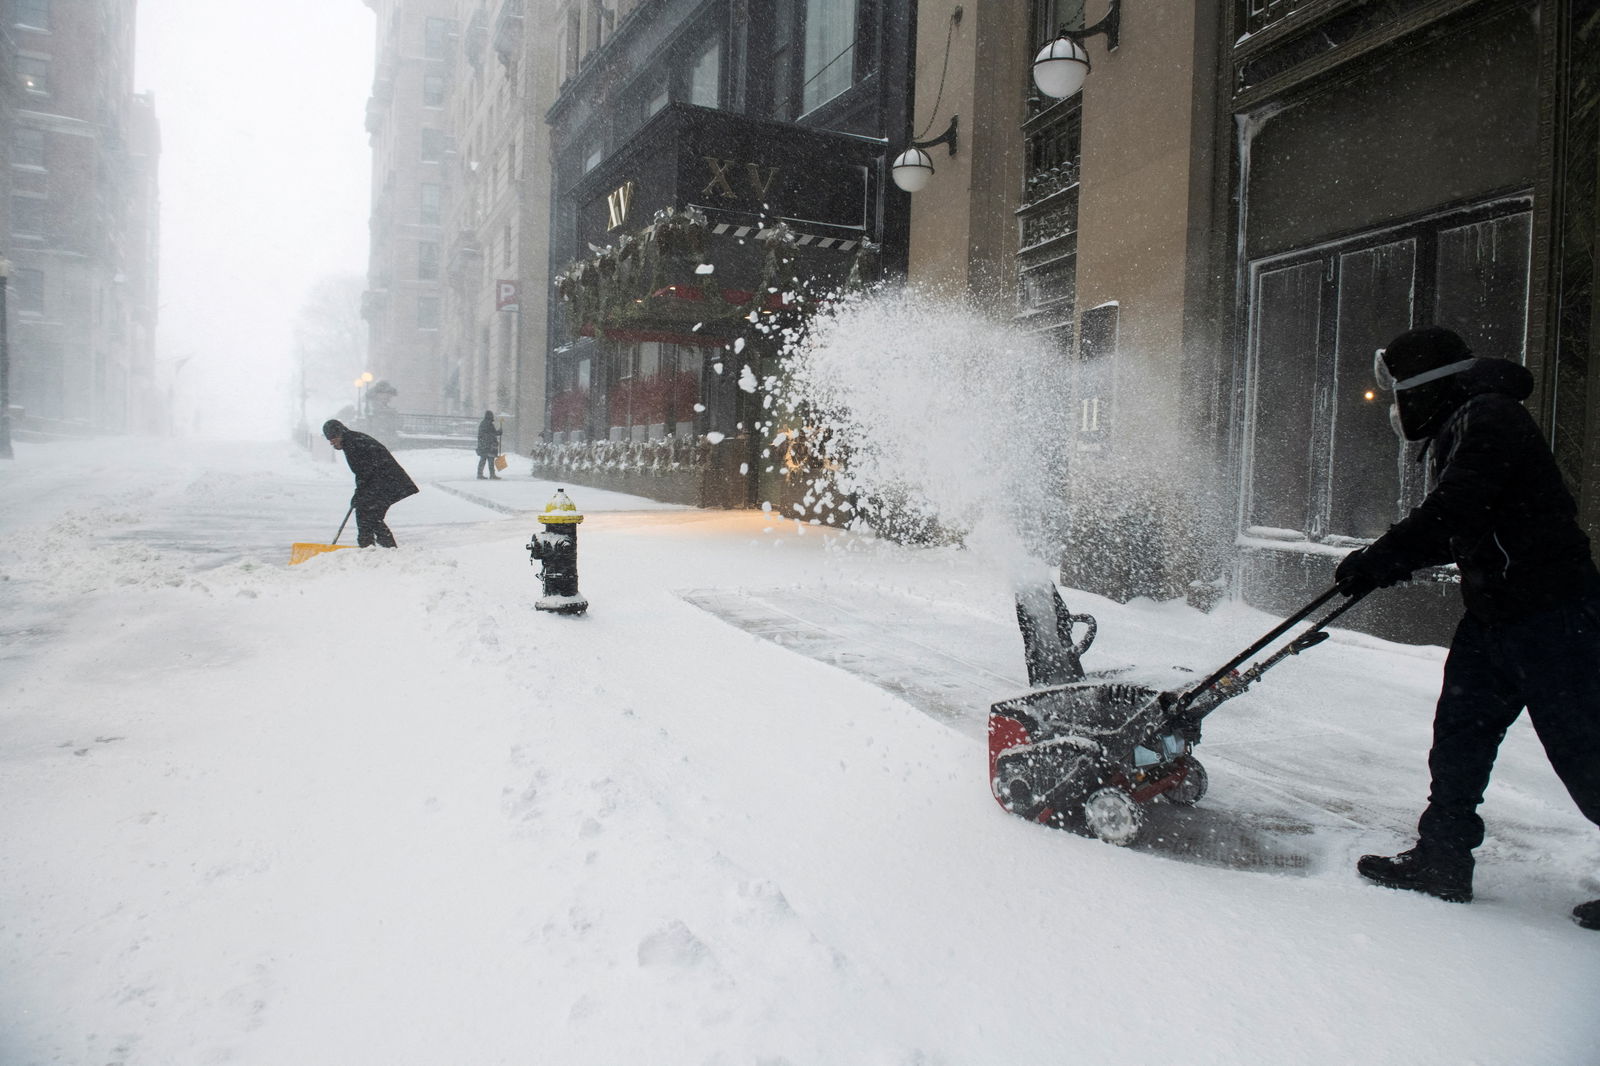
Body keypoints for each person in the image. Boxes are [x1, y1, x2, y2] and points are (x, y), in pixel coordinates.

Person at [1333, 326, 1600, 930]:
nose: (1396, 408)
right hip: (1497, 615)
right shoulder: (1464, 421)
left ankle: (1445, 855)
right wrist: (1393, 560)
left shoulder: (1491, 418)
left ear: (1427, 387)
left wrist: (1383, 557)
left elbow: (1458, 507)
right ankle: (1443, 859)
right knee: (1460, 737)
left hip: (1554, 619)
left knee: (1587, 753)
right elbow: (1466, 523)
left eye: (1398, 393)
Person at [322, 419, 419, 548]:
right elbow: (364, 471)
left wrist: (359, 493)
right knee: (369, 514)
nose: (331, 442)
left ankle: (374, 547)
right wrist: (359, 493)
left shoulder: (353, 443)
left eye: (333, 438)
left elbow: (364, 470)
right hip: (385, 482)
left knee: (368, 514)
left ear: (339, 434)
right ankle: (376, 547)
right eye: (329, 439)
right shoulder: (353, 440)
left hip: (387, 482)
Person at [476, 410, 502, 480]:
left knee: (483, 460)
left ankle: (479, 474)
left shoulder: (483, 423)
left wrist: (497, 433)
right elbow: (492, 433)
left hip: (483, 445)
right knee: (490, 460)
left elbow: (488, 434)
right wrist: (499, 432)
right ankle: (492, 475)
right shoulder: (489, 424)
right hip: (489, 446)